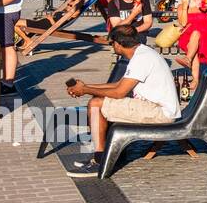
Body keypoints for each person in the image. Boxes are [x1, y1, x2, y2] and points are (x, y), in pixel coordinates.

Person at [63, 24, 181, 176]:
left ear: (118, 44)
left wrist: (85, 90)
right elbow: (118, 84)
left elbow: (119, 92)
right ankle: (106, 155)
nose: (112, 46)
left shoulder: (141, 58)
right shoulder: (141, 53)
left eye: (112, 43)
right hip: (157, 108)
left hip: (161, 112)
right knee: (99, 99)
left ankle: (100, 160)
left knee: (96, 104)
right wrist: (85, 87)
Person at [173, 0, 207, 94]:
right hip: (187, 35)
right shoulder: (182, 6)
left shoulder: (204, 5)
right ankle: (195, 79)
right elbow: (183, 23)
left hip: (206, 34)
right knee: (194, 44)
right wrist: (185, 6)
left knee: (196, 34)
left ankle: (188, 60)